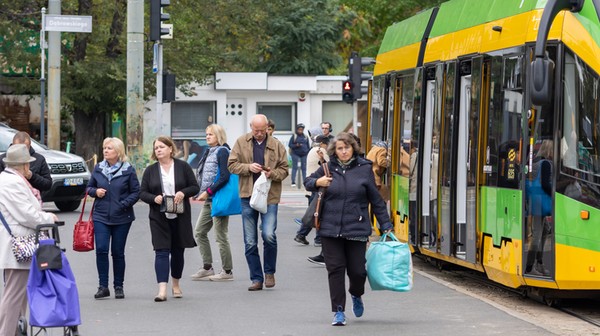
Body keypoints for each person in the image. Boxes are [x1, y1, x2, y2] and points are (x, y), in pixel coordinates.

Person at [304, 132, 392, 326]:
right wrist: (318, 182)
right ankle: (338, 311)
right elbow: (308, 182)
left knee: (358, 272)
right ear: (334, 151)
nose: (343, 152)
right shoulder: (327, 168)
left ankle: (356, 294)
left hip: (356, 228)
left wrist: (385, 225)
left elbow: (376, 200)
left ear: (354, 148)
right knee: (335, 269)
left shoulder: (364, 168)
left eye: (347, 148)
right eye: (339, 148)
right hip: (329, 228)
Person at [0, 144, 58, 335]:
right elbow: (26, 214)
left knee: (17, 294)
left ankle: (14, 332)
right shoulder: (12, 182)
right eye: (28, 165)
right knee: (14, 295)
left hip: (17, 243)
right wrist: (48, 218)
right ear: (23, 165)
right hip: (18, 243)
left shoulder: (10, 179)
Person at [228, 114, 289, 291]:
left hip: (269, 196)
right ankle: (256, 278)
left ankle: (269, 271)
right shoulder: (241, 142)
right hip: (248, 195)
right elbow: (231, 165)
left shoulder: (276, 144)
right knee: (250, 240)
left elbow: (284, 169)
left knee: (269, 234)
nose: (260, 134)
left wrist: (272, 173)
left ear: (268, 128)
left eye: (263, 130)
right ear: (251, 128)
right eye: (256, 130)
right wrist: (248, 167)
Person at [139, 136, 200, 301]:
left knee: (178, 251)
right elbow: (142, 192)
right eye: (156, 148)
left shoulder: (183, 166)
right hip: (158, 216)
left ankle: (176, 284)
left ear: (170, 149)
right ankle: (162, 290)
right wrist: (154, 198)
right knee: (161, 251)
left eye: (161, 147)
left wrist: (183, 192)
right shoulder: (151, 170)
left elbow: (195, 187)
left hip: (180, 215)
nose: (158, 150)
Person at [86, 137, 140, 299]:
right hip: (101, 215)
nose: (105, 151)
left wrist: (123, 204)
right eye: (104, 148)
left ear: (118, 151)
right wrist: (96, 192)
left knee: (117, 252)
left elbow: (136, 192)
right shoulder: (98, 168)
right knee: (101, 250)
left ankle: (118, 286)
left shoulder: (128, 169)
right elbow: (89, 187)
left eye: (109, 148)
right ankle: (103, 286)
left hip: (122, 217)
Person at [190, 124, 234, 281]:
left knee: (220, 235)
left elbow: (224, 176)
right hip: (209, 199)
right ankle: (207, 267)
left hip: (217, 198)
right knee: (200, 232)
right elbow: (204, 175)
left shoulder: (222, 151)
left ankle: (227, 271)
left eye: (211, 134)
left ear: (219, 136)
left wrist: (208, 192)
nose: (207, 137)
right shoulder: (209, 151)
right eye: (206, 134)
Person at [294, 134, 330, 247]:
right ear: (323, 143)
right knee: (317, 213)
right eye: (327, 145)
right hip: (317, 187)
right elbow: (329, 167)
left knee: (313, 213)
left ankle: (301, 235)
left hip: (311, 187)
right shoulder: (321, 151)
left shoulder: (312, 150)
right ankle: (318, 239)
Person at [525, 139, 553, 276]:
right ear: (549, 150)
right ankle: (530, 267)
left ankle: (539, 262)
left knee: (545, 229)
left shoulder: (536, 162)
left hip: (535, 201)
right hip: (540, 202)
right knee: (536, 234)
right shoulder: (546, 163)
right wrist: (554, 193)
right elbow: (546, 185)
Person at [288, 123, 310, 188]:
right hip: (295, 154)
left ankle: (304, 181)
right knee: (295, 167)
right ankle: (293, 182)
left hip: (304, 154)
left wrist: (307, 152)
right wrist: (296, 145)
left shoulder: (305, 136)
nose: (300, 131)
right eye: (299, 129)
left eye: (302, 129)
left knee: (304, 168)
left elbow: (308, 146)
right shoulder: (294, 136)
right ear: (297, 129)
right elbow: (290, 145)